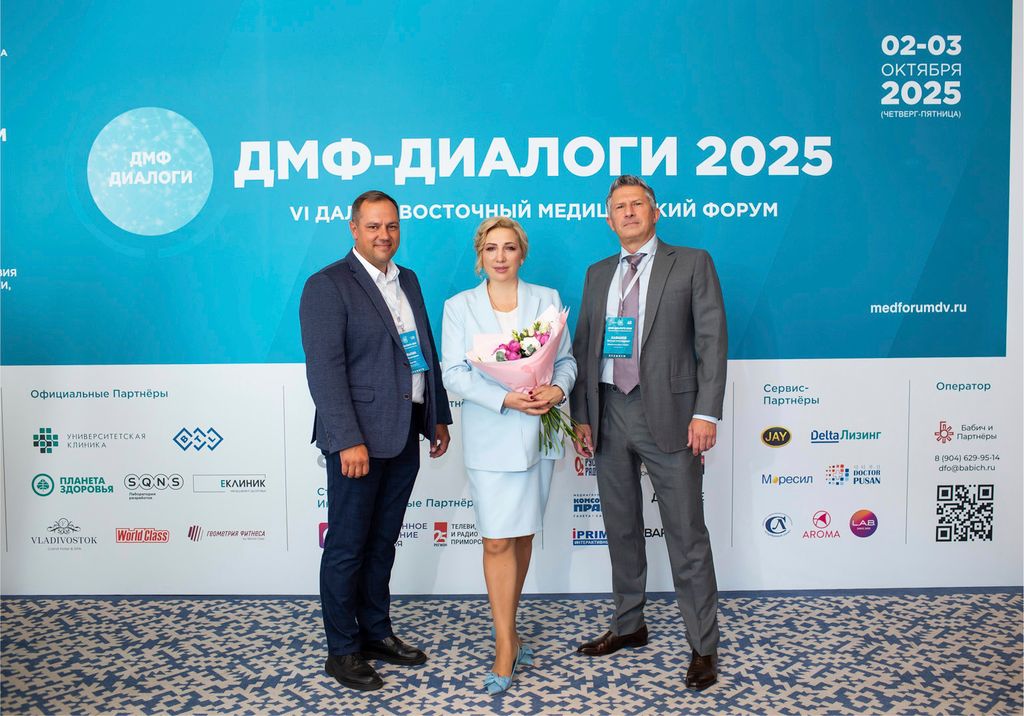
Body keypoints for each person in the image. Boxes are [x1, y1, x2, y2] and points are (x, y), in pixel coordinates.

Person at [569, 175, 727, 691]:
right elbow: (584, 346)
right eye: (620, 207)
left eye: (638, 204)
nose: (629, 212)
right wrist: (581, 415)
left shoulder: (693, 262)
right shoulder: (597, 274)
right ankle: (628, 625)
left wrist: (707, 413)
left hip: (673, 416)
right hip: (608, 411)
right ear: (608, 218)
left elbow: (712, 341)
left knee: (686, 534)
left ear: (655, 212)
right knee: (620, 528)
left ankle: (703, 646)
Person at [299, 189, 452, 692]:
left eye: (391, 226)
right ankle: (342, 649)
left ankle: (375, 633)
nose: (383, 235)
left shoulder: (409, 279)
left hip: (405, 430)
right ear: (353, 228)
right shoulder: (327, 285)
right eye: (373, 226)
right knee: (348, 545)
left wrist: (438, 416)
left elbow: (422, 352)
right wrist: (347, 439)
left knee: (383, 541)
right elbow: (325, 371)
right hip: (358, 440)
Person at [441, 217, 577, 695]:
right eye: (492, 248)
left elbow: (566, 361)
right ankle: (504, 644)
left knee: (521, 536)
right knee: (497, 540)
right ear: (480, 255)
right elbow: (454, 373)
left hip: (539, 433)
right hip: (491, 437)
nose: (501, 256)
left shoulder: (547, 298)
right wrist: (505, 398)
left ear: (522, 253)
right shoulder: (459, 306)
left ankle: (512, 631)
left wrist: (557, 390)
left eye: (510, 248)